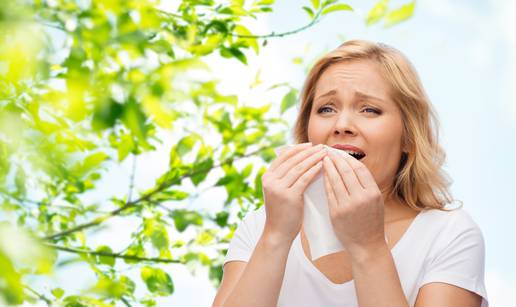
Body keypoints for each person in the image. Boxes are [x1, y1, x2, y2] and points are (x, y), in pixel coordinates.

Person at [212, 40, 488, 307]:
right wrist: (276, 236)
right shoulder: (260, 227)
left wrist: (368, 247)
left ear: (409, 137)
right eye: (326, 109)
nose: (342, 125)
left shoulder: (449, 235)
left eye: (370, 110)